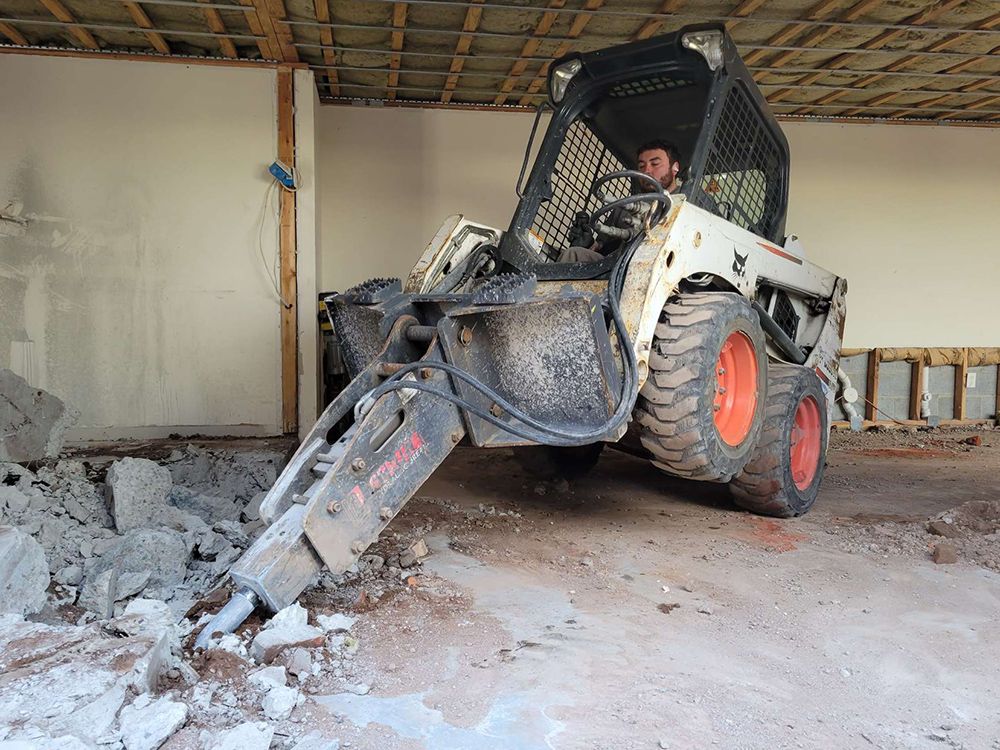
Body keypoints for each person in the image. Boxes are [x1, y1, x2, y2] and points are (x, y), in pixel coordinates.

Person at [558, 140, 682, 263]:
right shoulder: (625, 207)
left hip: (663, 269)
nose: (647, 171)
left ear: (675, 168)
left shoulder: (686, 205)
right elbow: (602, 248)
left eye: (655, 164)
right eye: (641, 166)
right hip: (615, 269)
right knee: (573, 254)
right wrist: (589, 243)